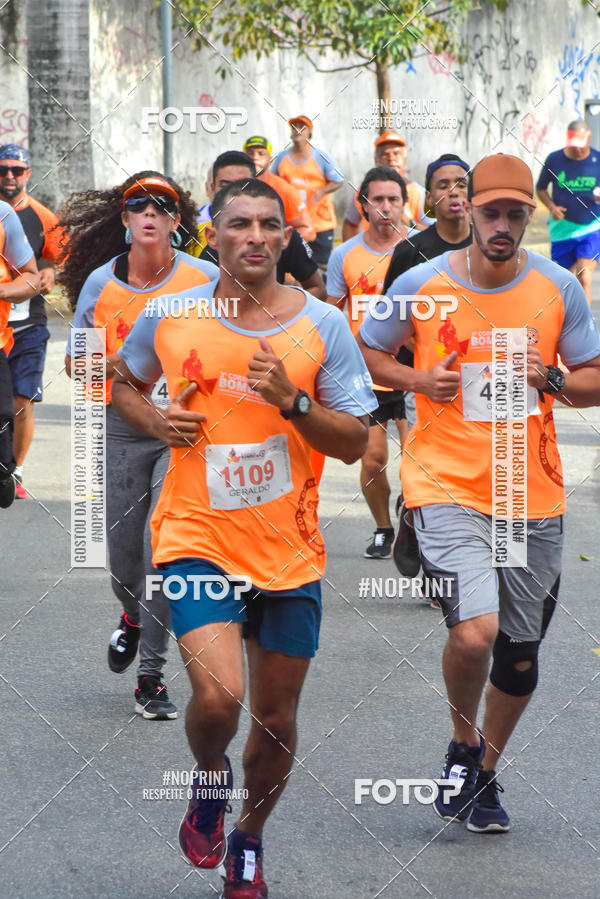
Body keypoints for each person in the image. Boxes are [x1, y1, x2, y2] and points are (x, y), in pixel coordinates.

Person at [111, 177, 375, 896]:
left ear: (287, 236)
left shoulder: (322, 325)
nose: (254, 235)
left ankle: (250, 839)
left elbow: (355, 441)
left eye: (268, 223)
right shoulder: (169, 315)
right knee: (221, 698)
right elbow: (123, 381)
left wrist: (292, 400)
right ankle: (207, 775)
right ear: (213, 233)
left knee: (279, 719)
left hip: (288, 551)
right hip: (196, 533)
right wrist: (158, 422)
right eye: (239, 223)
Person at [359, 153, 600, 833]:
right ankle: (462, 741)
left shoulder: (558, 289)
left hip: (532, 493)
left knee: (519, 657)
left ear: (531, 215)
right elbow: (367, 350)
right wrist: (415, 380)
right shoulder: (420, 284)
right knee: (475, 634)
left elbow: (595, 378)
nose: (500, 225)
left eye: (513, 214)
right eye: (489, 211)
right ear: (466, 212)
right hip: (445, 482)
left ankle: (482, 770)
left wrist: (551, 377)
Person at [61, 172, 218, 719]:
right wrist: (122, 366)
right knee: (125, 559)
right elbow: (75, 363)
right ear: (124, 220)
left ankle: (151, 675)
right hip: (123, 424)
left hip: (183, 432)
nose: (150, 212)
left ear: (177, 222)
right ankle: (131, 615)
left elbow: (233, 341)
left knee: (159, 551)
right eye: (138, 205)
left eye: (162, 206)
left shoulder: (204, 278)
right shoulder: (101, 286)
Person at [382, 153, 472, 587]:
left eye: (461, 182)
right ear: (429, 199)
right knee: (435, 474)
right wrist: (419, 369)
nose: (454, 191)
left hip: (485, 383)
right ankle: (441, 577)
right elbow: (386, 329)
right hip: (425, 384)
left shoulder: (493, 244)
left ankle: (412, 513)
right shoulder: (412, 252)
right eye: (443, 185)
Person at [326, 165, 408, 558]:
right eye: (378, 199)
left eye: (394, 199)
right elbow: (330, 316)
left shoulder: (418, 251)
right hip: (364, 377)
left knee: (420, 464)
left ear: (405, 204)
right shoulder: (345, 255)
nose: (386, 207)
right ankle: (383, 529)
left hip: (411, 374)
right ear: (363, 205)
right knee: (373, 461)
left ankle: (416, 522)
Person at [0, 144, 62, 499]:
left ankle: (15, 470)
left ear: (28, 174)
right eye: (3, 170)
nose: (10, 176)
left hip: (27, 323)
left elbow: (63, 254)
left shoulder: (41, 216)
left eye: (17, 170)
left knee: (22, 400)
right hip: (0, 327)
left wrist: (52, 269)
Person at [191, 150, 326, 300]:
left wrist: (287, 313)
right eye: (225, 186)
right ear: (212, 237)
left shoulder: (281, 235)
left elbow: (316, 288)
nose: (235, 193)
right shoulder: (195, 233)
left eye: (244, 185)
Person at [0, 199, 40, 508]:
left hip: (4, 340)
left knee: (10, 412)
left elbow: (31, 277)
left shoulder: (3, 214)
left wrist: (1, 290)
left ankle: (8, 472)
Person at [536, 120, 600, 303]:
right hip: (562, 229)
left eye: (581, 146)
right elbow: (540, 188)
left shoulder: (598, 160)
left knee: (584, 277)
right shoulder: (554, 160)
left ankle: (586, 326)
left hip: (591, 227)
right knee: (565, 280)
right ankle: (567, 320)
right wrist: (551, 207)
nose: (578, 150)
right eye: (574, 146)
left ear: (589, 137)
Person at [271, 115, 344, 268]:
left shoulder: (321, 157)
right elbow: (272, 183)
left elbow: (338, 180)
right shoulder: (281, 158)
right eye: (294, 127)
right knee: (293, 267)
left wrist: (322, 191)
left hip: (320, 223)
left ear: (309, 133)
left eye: (302, 127)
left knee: (321, 266)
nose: (297, 130)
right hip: (293, 224)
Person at [342, 131, 434, 242]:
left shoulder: (418, 193)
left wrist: (410, 224)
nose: (391, 158)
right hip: (372, 256)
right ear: (376, 160)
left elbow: (435, 232)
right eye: (385, 154)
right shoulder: (362, 192)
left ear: (404, 160)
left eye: (396, 153)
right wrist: (352, 253)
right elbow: (350, 223)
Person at [243, 135, 316, 241]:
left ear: (270, 160)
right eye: (250, 153)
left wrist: (275, 244)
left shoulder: (283, 189)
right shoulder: (233, 186)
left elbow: (308, 231)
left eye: (261, 153)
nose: (255, 157)